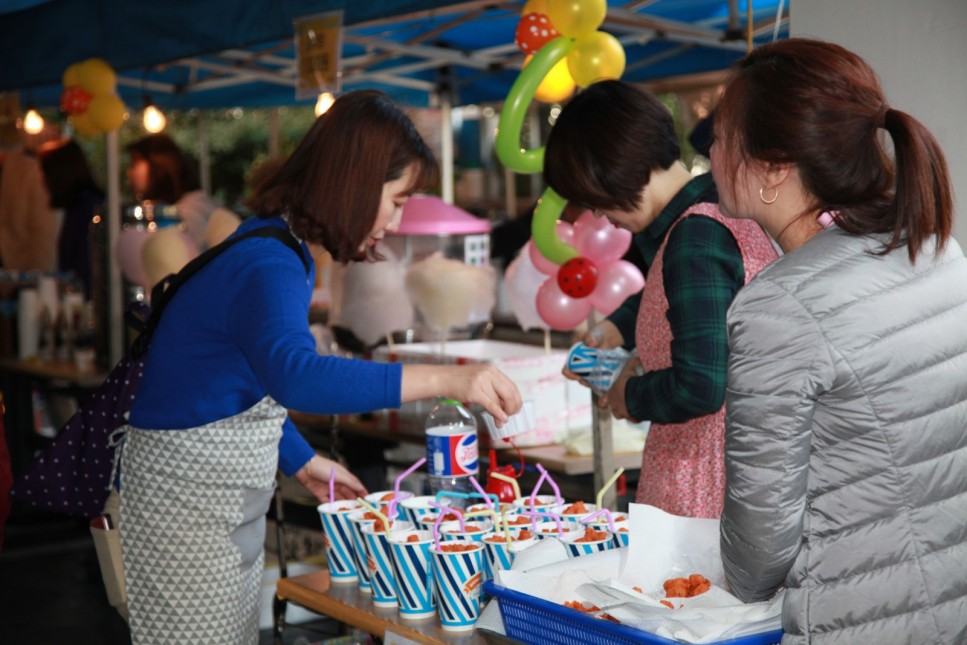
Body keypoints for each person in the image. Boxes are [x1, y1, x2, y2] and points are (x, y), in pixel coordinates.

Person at [117, 90, 522, 644]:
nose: (397, 221)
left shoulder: (277, 244)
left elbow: (244, 378)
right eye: (397, 200)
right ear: (356, 184)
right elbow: (296, 375)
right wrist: (451, 378)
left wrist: (300, 459)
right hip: (187, 507)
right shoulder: (271, 261)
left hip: (203, 500)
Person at [714, 38, 967, 643]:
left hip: (854, 618)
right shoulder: (933, 248)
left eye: (720, 137)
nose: (712, 153)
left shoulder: (779, 306)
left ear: (774, 167)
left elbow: (758, 555)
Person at [544, 80, 778, 518]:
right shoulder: (714, 207)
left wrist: (627, 395)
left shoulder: (693, 237)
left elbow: (700, 386)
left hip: (705, 483)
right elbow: (688, 304)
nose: (598, 215)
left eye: (594, 199)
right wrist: (618, 326)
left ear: (609, 171)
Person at [125, 133, 240, 250]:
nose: (129, 172)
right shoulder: (186, 207)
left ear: (158, 165)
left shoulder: (189, 212)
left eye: (134, 163)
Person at [38, 139, 103, 296]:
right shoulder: (80, 207)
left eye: (45, 173)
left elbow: (83, 271)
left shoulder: (88, 210)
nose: (42, 180)